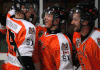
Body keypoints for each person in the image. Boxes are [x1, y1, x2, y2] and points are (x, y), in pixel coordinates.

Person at [33, 6, 74, 70]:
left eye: (48, 15)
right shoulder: (44, 32)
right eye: (46, 15)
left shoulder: (62, 41)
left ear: (56, 21)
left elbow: (65, 67)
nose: (45, 18)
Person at [1, 0, 36, 70]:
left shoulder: (9, 17)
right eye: (30, 8)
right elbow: (25, 57)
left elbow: (2, 28)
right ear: (22, 8)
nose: (31, 12)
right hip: (18, 66)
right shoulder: (28, 27)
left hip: (8, 63)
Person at [70, 2, 100, 70]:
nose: (72, 22)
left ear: (85, 21)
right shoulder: (76, 35)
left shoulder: (96, 39)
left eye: (75, 20)